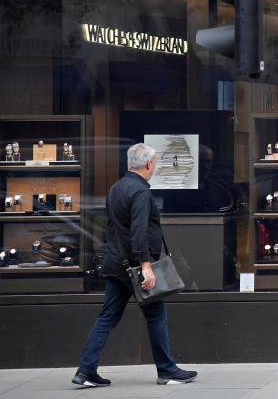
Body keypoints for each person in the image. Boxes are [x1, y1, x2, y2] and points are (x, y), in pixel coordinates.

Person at [72, 143, 198, 387]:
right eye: (155, 164)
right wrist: (146, 265)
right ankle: (167, 371)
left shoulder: (117, 188)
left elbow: (115, 228)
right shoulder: (141, 192)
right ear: (149, 164)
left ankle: (85, 371)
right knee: (156, 315)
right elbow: (138, 231)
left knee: (107, 317)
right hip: (135, 266)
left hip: (116, 263)